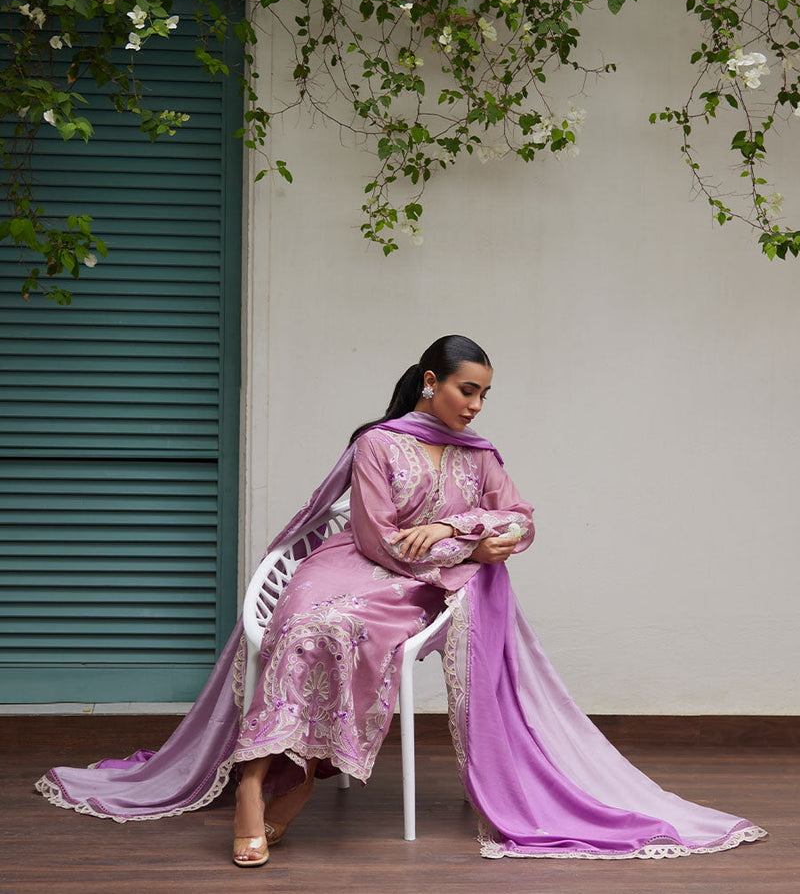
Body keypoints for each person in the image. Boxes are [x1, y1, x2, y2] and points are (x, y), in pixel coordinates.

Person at [36, 335, 767, 866]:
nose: (475, 405)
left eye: (484, 393)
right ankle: (259, 776)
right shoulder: (379, 444)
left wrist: (456, 529)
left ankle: (303, 766)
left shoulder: (483, 456)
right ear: (429, 380)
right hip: (351, 567)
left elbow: (521, 522)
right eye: (465, 389)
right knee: (313, 624)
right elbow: (381, 538)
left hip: (417, 590)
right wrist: (469, 542)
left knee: (347, 633)